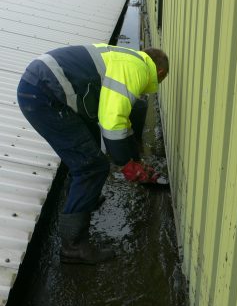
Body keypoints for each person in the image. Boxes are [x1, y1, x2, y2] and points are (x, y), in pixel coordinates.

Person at [17, 43, 169, 264]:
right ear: (160, 73)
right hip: (44, 96)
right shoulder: (138, 70)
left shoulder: (124, 58)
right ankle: (73, 246)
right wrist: (126, 163)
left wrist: (132, 158)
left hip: (41, 85)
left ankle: (82, 199)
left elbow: (119, 115)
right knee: (92, 166)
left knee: (86, 150)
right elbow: (113, 123)